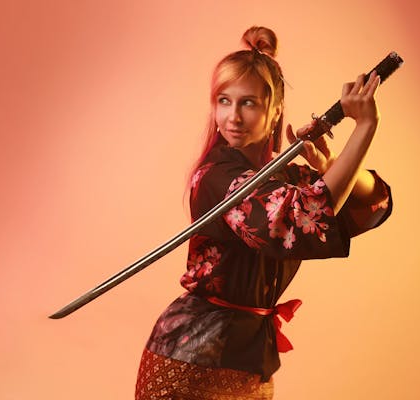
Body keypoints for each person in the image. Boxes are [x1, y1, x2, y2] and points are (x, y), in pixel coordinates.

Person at [135, 26, 392, 400]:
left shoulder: (288, 176)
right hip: (191, 360)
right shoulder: (216, 178)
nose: (233, 116)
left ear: (275, 113)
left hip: (251, 362)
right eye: (224, 100)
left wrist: (331, 164)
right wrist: (364, 127)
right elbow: (293, 222)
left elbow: (370, 206)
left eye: (248, 103)